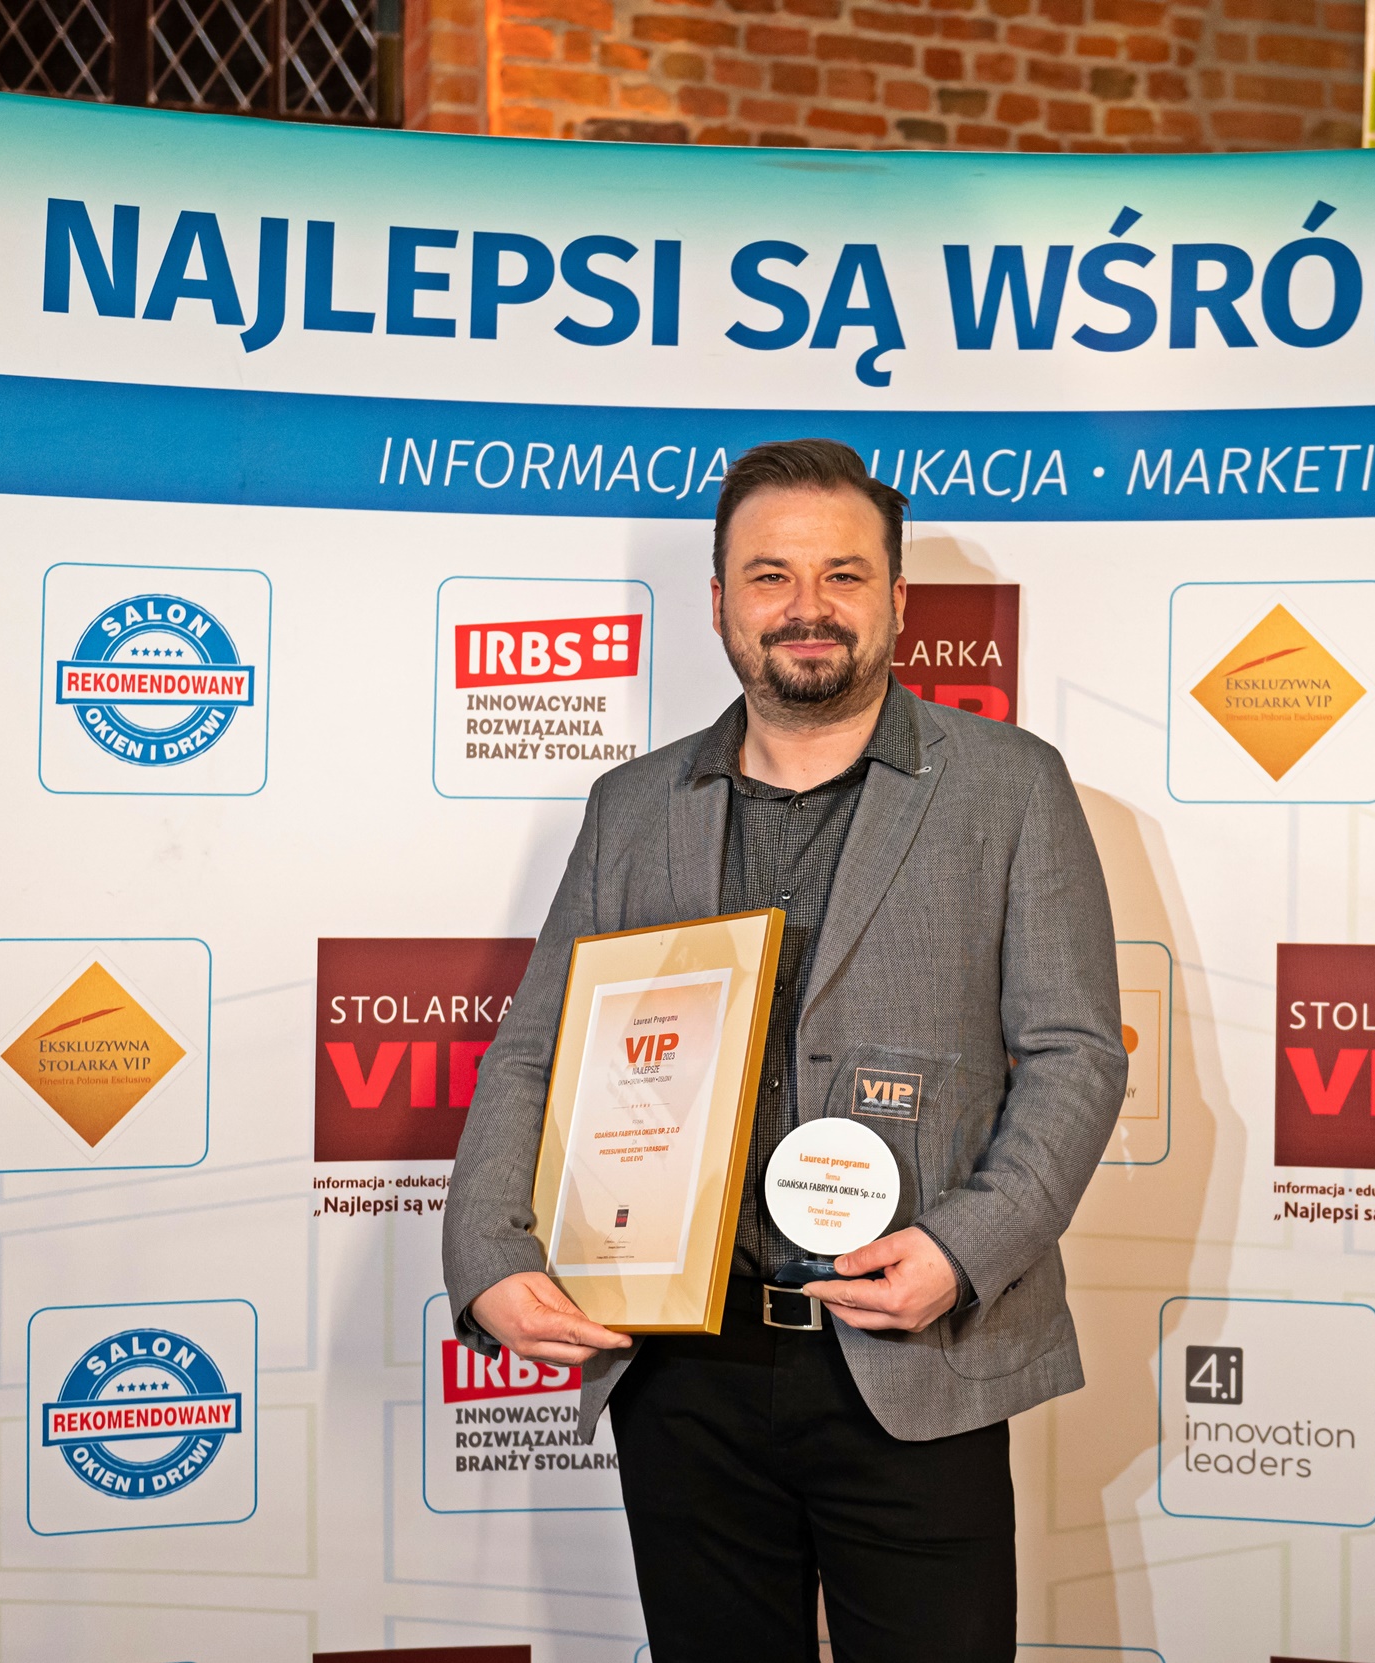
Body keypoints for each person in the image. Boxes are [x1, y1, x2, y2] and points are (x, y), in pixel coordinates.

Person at [442, 436, 1127, 1663]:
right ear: (719, 603)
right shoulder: (631, 806)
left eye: (842, 575)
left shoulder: (1011, 786)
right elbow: (535, 1051)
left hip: (911, 1349)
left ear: (897, 598)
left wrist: (961, 1252)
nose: (807, 606)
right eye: (770, 576)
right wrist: (489, 1254)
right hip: (679, 1364)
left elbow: (1077, 1054)